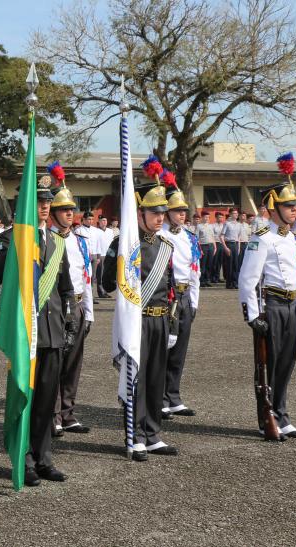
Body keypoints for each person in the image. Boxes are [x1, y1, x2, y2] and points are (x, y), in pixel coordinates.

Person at [0, 178, 75, 486]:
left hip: (51, 332)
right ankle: (22, 459)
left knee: (46, 401)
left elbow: (65, 288)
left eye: (47, 201)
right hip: (26, 333)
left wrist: (71, 322)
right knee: (25, 396)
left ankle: (43, 458)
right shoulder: (12, 237)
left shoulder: (56, 240)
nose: (45, 206)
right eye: (39, 201)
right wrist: (15, 248)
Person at [102, 161, 179, 461]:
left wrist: (172, 324)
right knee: (136, 378)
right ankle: (134, 436)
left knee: (156, 379)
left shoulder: (165, 246)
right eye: (155, 212)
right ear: (139, 213)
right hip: (136, 322)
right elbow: (107, 283)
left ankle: (153, 433)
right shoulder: (124, 243)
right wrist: (120, 259)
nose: (161, 217)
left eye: (163, 212)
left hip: (159, 321)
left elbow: (170, 288)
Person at [238, 163, 296, 440]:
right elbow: (247, 280)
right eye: (288, 205)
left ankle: (282, 414)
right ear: (273, 208)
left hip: (291, 306)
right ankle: (266, 418)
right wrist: (253, 316)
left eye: (294, 205)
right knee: (269, 366)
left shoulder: (292, 239)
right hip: (272, 307)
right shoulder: (261, 240)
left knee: (287, 362)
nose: (294, 209)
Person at [47, 163, 93, 436]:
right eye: (65, 210)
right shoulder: (47, 240)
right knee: (55, 362)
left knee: (73, 363)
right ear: (53, 214)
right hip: (54, 308)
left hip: (76, 306)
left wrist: (88, 311)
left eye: (72, 210)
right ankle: (53, 414)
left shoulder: (80, 241)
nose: (70, 214)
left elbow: (86, 277)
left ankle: (68, 412)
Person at [157, 173, 200, 418]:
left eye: (184, 210)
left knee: (180, 350)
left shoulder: (189, 237)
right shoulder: (161, 236)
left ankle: (174, 396)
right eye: (177, 210)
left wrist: (194, 301)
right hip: (167, 297)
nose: (182, 214)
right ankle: (160, 397)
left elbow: (196, 272)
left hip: (184, 297)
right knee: (164, 349)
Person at [220, 209, 241, 289]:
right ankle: (229, 283)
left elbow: (239, 237)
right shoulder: (227, 224)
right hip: (229, 244)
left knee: (236, 265)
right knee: (229, 265)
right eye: (234, 213)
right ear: (230, 214)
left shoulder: (239, 224)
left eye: (236, 213)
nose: (236, 215)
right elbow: (221, 236)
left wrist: (238, 247)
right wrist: (225, 247)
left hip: (235, 245)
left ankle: (235, 282)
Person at [196, 212, 217, 287]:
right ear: (202, 217)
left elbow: (212, 237)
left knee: (209, 264)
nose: (207, 219)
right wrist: (200, 249)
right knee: (203, 265)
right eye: (205, 217)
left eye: (208, 217)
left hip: (211, 246)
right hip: (203, 246)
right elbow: (197, 239)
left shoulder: (211, 226)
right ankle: (201, 281)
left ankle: (207, 280)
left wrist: (215, 247)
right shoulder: (199, 226)